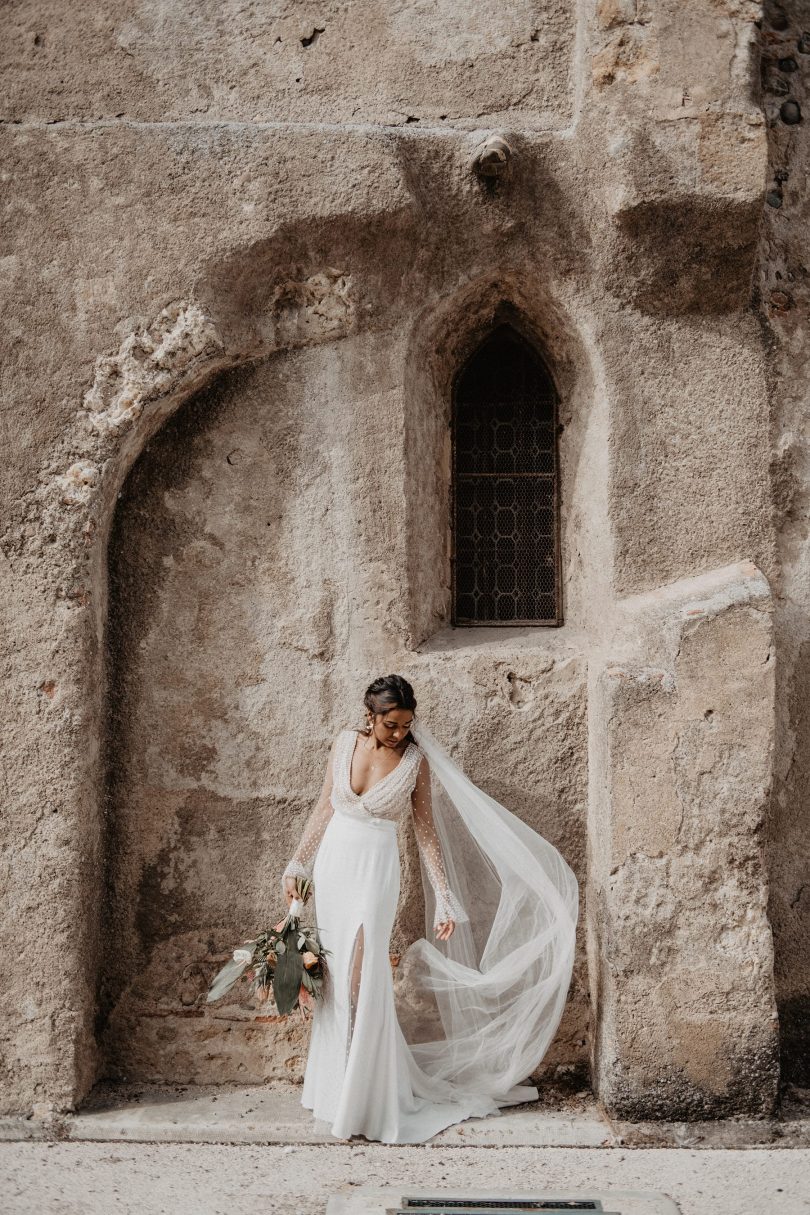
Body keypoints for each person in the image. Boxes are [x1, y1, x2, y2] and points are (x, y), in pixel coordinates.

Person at [281, 673, 578, 1144]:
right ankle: (335, 1090)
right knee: (336, 974)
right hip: (336, 861)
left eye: (405, 725)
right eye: (390, 725)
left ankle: (366, 1097)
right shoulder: (342, 745)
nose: (399, 734)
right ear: (370, 716)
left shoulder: (415, 761)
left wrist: (445, 895)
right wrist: (298, 863)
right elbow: (324, 806)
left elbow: (424, 832)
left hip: (376, 868)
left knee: (364, 976)